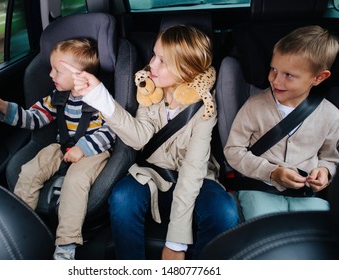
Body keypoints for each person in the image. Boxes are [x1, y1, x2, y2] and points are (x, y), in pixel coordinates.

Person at [61, 25, 240, 260]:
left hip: (195, 178)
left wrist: (176, 243)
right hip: (151, 174)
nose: (151, 64)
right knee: (122, 198)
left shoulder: (205, 107)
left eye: (162, 61)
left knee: (224, 212)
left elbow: (192, 170)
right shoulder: (148, 90)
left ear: (186, 70)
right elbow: (139, 138)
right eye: (154, 55)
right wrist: (99, 96)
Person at [0, 38, 115, 260]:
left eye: (57, 70)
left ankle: (66, 245)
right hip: (62, 146)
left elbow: (111, 131)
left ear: (79, 75)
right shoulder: (56, 98)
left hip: (94, 151)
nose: (50, 75)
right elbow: (33, 118)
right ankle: (21, 227)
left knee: (75, 181)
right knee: (29, 171)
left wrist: (83, 148)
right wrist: (3, 106)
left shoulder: (100, 99)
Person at [224, 25, 339, 221]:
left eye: (288, 75)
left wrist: (325, 171)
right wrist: (272, 172)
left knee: (320, 238)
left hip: (306, 194)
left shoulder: (331, 115)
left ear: (319, 77)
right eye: (273, 69)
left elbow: (330, 157)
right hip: (259, 188)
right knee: (268, 232)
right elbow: (233, 150)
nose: (275, 80)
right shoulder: (255, 106)